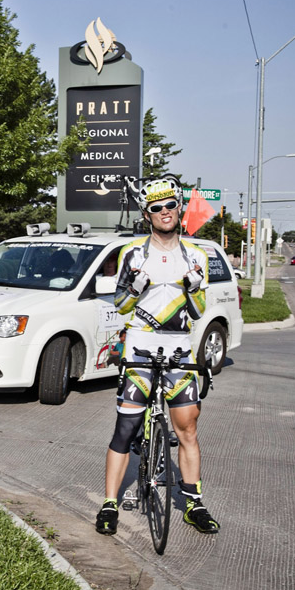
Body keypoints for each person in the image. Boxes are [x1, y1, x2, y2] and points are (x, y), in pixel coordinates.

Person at [95, 175, 220, 536]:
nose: (165, 212)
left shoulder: (197, 255)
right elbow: (120, 306)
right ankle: (109, 503)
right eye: (156, 208)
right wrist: (134, 288)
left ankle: (193, 503)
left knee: (188, 429)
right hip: (140, 345)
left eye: (170, 206)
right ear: (146, 214)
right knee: (126, 428)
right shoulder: (131, 253)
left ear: (179, 208)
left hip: (179, 347)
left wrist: (195, 289)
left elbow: (197, 312)